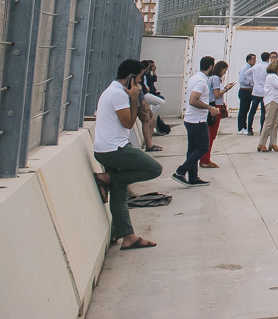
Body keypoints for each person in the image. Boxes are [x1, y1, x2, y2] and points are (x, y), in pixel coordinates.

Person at [92, 59, 161, 250]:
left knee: (119, 190)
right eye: (138, 78)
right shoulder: (118, 94)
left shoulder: (115, 91)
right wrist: (134, 99)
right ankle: (106, 178)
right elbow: (128, 123)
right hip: (114, 150)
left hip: (109, 147)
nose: (140, 83)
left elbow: (137, 119)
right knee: (154, 169)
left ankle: (125, 235)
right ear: (130, 78)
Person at [173, 55, 216, 184]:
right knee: (203, 147)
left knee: (192, 150)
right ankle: (181, 171)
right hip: (197, 121)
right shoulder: (201, 82)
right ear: (210, 67)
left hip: (191, 119)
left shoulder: (194, 78)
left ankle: (193, 177)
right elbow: (193, 100)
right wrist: (210, 108)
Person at [200, 60, 232, 168]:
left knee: (209, 134)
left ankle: (204, 158)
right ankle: (205, 159)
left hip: (212, 106)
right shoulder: (216, 79)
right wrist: (226, 88)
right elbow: (217, 95)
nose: (225, 73)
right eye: (225, 70)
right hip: (215, 107)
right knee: (211, 134)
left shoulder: (210, 78)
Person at [258, 58, 278, 152]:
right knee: (268, 123)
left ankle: (273, 143)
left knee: (275, 124)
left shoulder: (275, 76)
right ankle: (262, 144)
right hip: (272, 101)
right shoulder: (272, 76)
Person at [236, 53, 258, 135]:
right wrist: (251, 83)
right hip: (244, 91)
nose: (255, 61)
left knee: (246, 110)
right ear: (249, 60)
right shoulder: (245, 68)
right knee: (243, 110)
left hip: (249, 91)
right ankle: (241, 128)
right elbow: (241, 80)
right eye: (253, 59)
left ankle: (244, 127)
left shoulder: (252, 68)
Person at [248, 52, 269, 133]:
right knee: (263, 112)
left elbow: (247, 74)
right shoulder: (269, 66)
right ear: (268, 58)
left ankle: (249, 129)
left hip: (256, 91)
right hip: (265, 92)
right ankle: (262, 130)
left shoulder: (256, 66)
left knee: (252, 111)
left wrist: (252, 82)